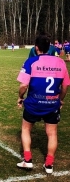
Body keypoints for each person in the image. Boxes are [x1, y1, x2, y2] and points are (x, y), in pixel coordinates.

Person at [16, 35, 70, 174]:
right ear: (50, 47)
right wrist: (60, 100)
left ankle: (28, 160)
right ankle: (49, 164)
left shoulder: (31, 61)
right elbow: (65, 86)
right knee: (52, 134)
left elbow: (23, 85)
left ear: (36, 47)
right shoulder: (61, 63)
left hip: (33, 103)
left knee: (26, 129)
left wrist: (20, 97)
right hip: (52, 104)